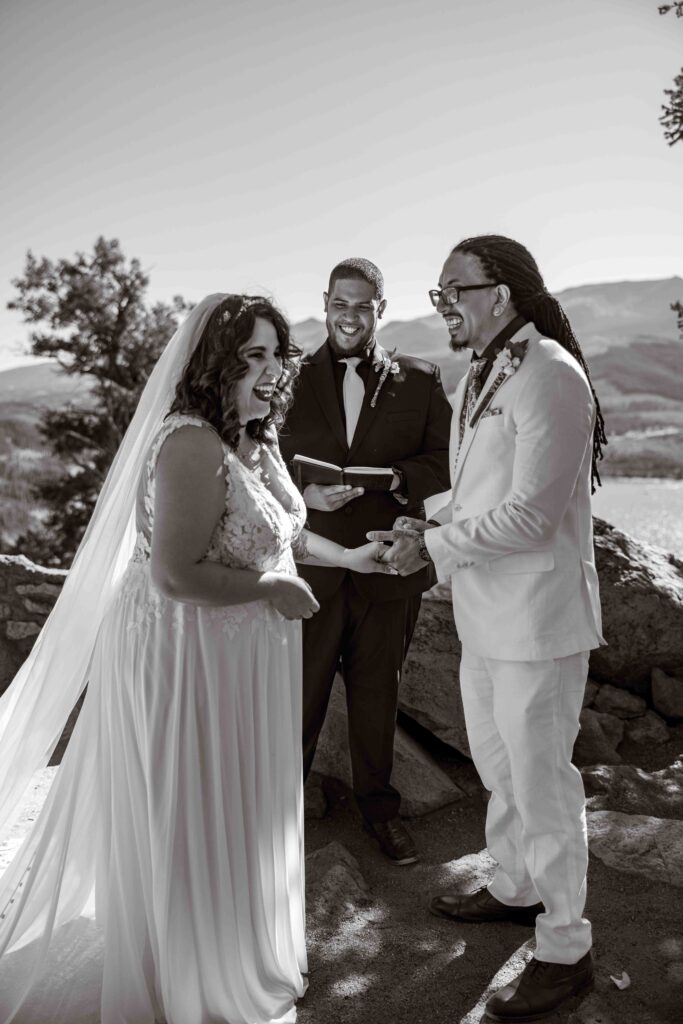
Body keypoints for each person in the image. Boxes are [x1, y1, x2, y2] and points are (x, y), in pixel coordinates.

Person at [0, 293, 392, 1024]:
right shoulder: (189, 444)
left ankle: (233, 946)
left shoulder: (255, 435)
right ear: (214, 361)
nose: (272, 370)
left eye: (277, 354)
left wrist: (353, 560)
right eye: (252, 355)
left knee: (240, 802)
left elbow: (279, 533)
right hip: (186, 648)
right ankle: (188, 973)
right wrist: (273, 589)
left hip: (242, 650)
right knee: (193, 800)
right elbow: (175, 573)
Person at [372, 236, 607, 1020]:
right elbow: (480, 493)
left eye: (452, 291)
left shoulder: (551, 376)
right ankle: (514, 886)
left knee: (542, 787)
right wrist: (422, 523)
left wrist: (430, 551)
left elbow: (535, 516)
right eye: (436, 294)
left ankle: (566, 948)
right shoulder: (480, 371)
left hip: (538, 622)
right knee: (502, 771)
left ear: (499, 292)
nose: (441, 306)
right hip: (484, 615)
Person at [279, 258, 452, 866]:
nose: (349, 317)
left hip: (388, 565)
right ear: (325, 303)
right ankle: (279, 820)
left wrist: (401, 478)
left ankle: (381, 814)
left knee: (378, 697)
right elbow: (262, 466)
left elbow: (445, 462)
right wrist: (306, 494)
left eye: (362, 306)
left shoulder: (422, 379)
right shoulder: (288, 379)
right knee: (299, 696)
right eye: (339, 304)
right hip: (315, 569)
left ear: (381, 308)